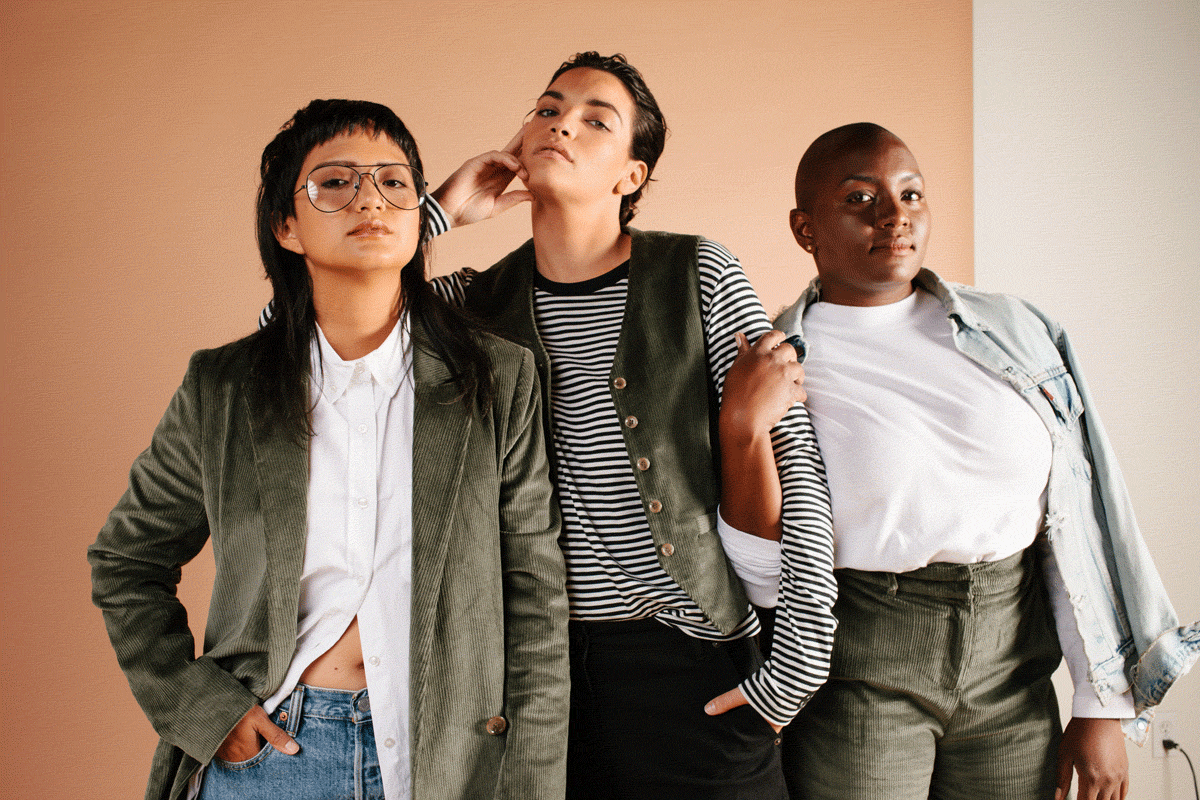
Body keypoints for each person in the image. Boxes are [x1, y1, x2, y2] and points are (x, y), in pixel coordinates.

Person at [88, 99, 569, 800]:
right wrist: (200, 708)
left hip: (448, 756)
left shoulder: (496, 377)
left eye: (394, 182)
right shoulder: (225, 387)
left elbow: (536, 600)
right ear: (287, 225)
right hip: (272, 756)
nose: (370, 198)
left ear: (418, 213)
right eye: (336, 183)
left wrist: (531, 783)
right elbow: (127, 560)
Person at [423, 52, 838, 799]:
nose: (560, 125)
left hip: (692, 662)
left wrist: (798, 662)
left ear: (631, 176)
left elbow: (793, 453)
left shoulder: (698, 274)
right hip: (535, 680)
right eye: (547, 110)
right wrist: (438, 215)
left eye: (594, 120)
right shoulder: (469, 303)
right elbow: (299, 338)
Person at [767, 122, 1199, 800]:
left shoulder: (1018, 329)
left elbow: (1073, 524)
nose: (894, 215)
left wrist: (1101, 704)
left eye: (911, 194)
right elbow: (761, 542)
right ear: (805, 227)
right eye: (859, 198)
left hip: (1013, 670)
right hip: (860, 671)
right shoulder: (780, 361)